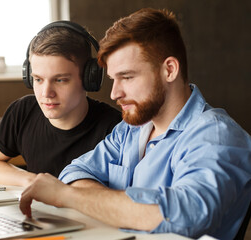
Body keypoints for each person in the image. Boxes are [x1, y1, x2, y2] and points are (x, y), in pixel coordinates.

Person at [19, 8, 251, 240]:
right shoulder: (130, 129)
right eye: (113, 79)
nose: (114, 93)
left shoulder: (217, 136)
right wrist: (121, 208)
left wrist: (68, 197)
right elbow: (75, 171)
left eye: (127, 77)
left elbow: (186, 217)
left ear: (169, 70)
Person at [0, 21, 122, 187]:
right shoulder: (23, 112)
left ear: (89, 79)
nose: (46, 93)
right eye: (38, 79)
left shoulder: (116, 130)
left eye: (60, 80)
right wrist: (32, 180)